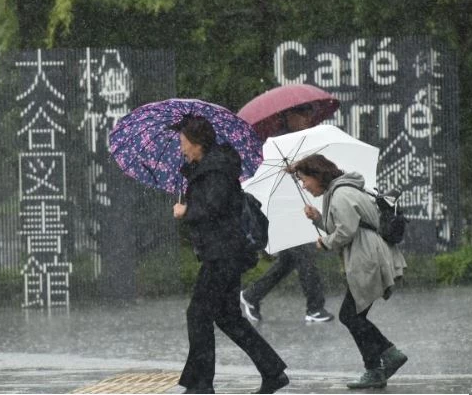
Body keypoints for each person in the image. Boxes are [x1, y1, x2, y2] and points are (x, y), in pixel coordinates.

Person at [172, 115, 289, 394]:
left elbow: (214, 207)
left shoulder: (216, 170)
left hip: (223, 254)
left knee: (198, 314)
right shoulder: (210, 167)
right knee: (227, 317)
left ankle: (201, 385)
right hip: (224, 252)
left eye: (184, 143)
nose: (181, 148)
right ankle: (272, 371)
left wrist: (186, 211)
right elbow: (212, 201)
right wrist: (190, 174)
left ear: (198, 144)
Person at [291, 154, 408, 389]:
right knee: (355, 316)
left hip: (367, 259)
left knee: (350, 315)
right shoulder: (340, 191)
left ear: (317, 175)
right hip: (367, 256)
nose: (304, 185)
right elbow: (345, 224)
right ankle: (377, 366)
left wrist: (324, 242)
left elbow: (345, 232)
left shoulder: (341, 194)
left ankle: (386, 358)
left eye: (305, 180)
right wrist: (318, 218)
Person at [240, 104, 335, 323]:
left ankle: (252, 295)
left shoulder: (302, 140)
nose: (307, 118)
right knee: (305, 255)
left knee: (289, 261)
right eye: (303, 114)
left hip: (295, 209)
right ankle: (315, 307)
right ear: (290, 116)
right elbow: (267, 176)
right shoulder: (277, 144)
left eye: (309, 113)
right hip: (283, 212)